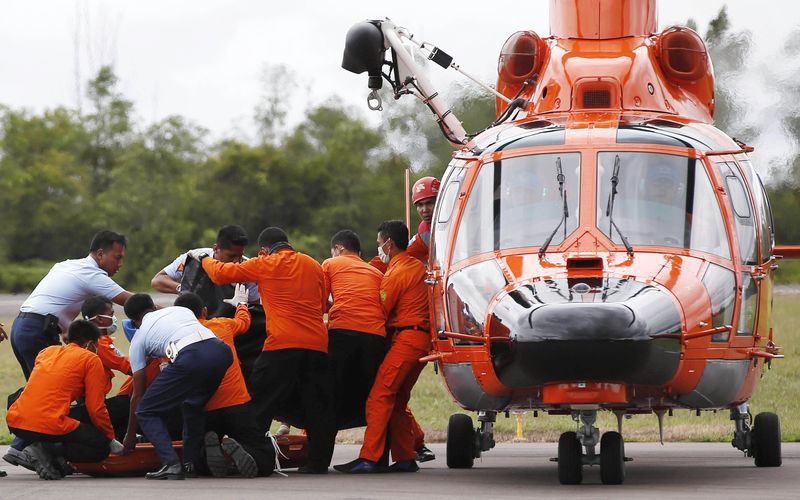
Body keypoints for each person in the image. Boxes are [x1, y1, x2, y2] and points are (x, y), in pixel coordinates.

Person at [194, 226, 335, 473]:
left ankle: (250, 451)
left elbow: (221, 273)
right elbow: (323, 303)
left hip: (281, 344)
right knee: (317, 406)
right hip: (317, 345)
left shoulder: (268, 263)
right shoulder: (313, 264)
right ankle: (318, 463)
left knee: (258, 399)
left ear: (263, 250)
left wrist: (203, 257)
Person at [335, 220, 431, 473]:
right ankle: (405, 457)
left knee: (380, 396)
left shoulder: (398, 272)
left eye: (379, 244)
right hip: (419, 340)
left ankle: (369, 458)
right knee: (398, 400)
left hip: (407, 339)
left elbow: (380, 309)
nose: (378, 248)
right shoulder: (413, 266)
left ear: (389, 243)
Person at [122, 293, 233, 480]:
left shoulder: (138, 338)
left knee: (146, 410)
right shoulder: (180, 310)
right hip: (220, 351)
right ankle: (191, 463)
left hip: (191, 356)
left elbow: (138, 395)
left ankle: (171, 464)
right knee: (193, 405)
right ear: (154, 306)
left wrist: (130, 435)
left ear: (134, 321)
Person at [173, 291, 275, 478]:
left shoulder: (174, 339)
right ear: (204, 311)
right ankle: (249, 453)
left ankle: (206, 457)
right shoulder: (221, 325)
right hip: (236, 402)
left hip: (203, 408)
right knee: (265, 458)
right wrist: (241, 304)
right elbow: (244, 323)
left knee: (198, 459)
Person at [9, 230, 133, 380]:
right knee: (52, 390)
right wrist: (165, 312)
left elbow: (55, 300)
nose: (120, 264)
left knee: (38, 390)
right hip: (39, 331)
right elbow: (132, 301)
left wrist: (65, 328)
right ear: (100, 254)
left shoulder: (66, 265)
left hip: (21, 327)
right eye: (117, 258)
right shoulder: (91, 274)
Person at [6, 320, 119, 480]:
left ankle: (50, 459)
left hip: (16, 422)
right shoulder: (91, 359)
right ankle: (49, 451)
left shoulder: (47, 351)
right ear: (90, 344)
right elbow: (95, 408)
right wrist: (110, 437)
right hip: (48, 424)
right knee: (100, 445)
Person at [322, 230, 387, 431]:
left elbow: (320, 301)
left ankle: (320, 457)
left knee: (330, 393)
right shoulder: (376, 273)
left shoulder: (330, 264)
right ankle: (377, 457)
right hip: (376, 335)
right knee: (375, 396)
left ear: (339, 248)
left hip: (344, 331)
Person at [151, 224, 260, 304]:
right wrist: (184, 289)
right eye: (231, 256)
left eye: (240, 256)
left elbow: (257, 303)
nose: (236, 261)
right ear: (216, 249)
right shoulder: (194, 258)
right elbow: (157, 281)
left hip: (228, 324)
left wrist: (243, 302)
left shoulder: (247, 267)